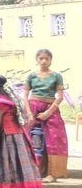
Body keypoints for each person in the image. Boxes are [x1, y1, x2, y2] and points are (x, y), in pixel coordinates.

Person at [26, 49, 69, 181]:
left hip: (51, 109)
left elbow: (60, 97)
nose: (44, 61)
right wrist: (28, 112)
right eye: (41, 58)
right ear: (37, 60)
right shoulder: (31, 76)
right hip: (32, 108)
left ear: (51, 60)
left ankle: (53, 174)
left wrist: (48, 113)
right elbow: (24, 95)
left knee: (54, 139)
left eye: (47, 58)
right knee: (30, 138)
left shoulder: (56, 76)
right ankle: (33, 171)